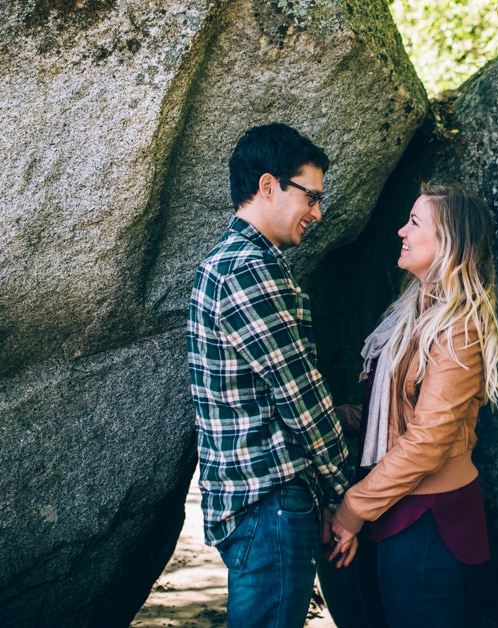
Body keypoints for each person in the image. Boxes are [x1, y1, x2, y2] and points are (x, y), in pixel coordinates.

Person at [187, 122, 357, 628]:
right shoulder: (246, 269)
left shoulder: (238, 263)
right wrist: (343, 496)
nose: (318, 213)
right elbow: (299, 396)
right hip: (270, 505)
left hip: (263, 505)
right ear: (268, 186)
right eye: (311, 196)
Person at [330, 182, 498, 627]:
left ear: (447, 242)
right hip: (387, 505)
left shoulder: (460, 328)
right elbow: (385, 416)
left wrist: (353, 509)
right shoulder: (410, 314)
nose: (400, 231)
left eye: (414, 222)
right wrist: (328, 418)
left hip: (427, 518)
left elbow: (427, 441)